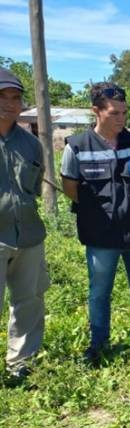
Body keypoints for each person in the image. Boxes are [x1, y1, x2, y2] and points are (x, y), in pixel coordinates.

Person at [60, 82, 130, 362]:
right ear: (96, 111)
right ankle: (99, 345)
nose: (121, 119)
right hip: (100, 236)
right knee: (99, 292)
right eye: (114, 113)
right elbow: (70, 188)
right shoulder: (77, 146)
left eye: (124, 112)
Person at [0, 67, 48, 384]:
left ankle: (21, 365)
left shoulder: (31, 144)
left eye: (15, 97)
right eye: (2, 97)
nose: (9, 103)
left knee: (29, 301)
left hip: (28, 234)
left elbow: (32, 185)